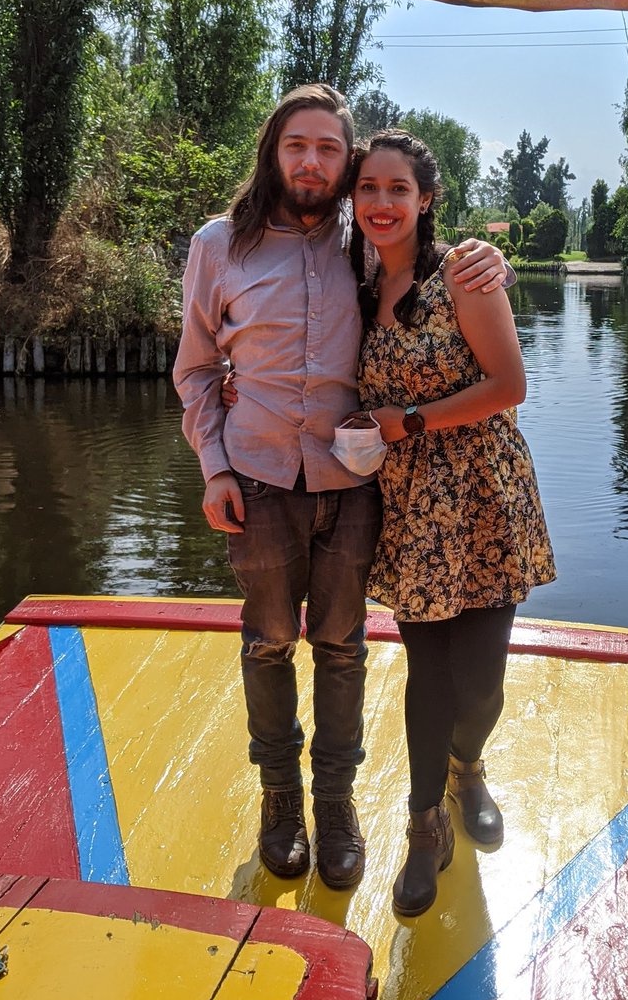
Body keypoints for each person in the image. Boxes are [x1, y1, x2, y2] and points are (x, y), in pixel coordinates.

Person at [172, 84, 509, 892]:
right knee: (266, 646)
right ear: (274, 152)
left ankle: (338, 805)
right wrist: (213, 467)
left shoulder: (364, 247)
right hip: (253, 482)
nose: (313, 162)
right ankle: (281, 803)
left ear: (346, 163)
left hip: (353, 485)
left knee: (344, 650)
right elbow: (194, 370)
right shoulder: (217, 246)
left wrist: (492, 256)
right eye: (299, 146)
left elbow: (428, 262)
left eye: (330, 149)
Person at [345, 130, 556, 916]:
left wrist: (410, 422)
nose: (382, 203)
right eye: (368, 188)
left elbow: (510, 384)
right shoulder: (356, 282)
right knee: (428, 672)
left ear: (425, 198)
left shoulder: (463, 272)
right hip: (408, 506)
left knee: (485, 682)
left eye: (398, 189)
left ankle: (471, 765)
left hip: (483, 495)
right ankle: (424, 823)